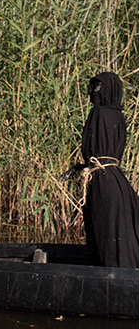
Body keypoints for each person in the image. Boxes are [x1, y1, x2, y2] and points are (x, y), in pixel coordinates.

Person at [67, 72, 139, 269]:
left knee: (105, 233)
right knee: (119, 232)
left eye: (97, 87)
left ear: (107, 89)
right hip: (117, 182)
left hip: (102, 183)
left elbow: (95, 155)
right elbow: (106, 156)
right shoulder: (119, 116)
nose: (91, 92)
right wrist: (78, 167)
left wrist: (82, 167)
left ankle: (112, 280)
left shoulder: (98, 113)